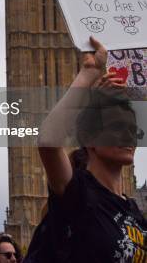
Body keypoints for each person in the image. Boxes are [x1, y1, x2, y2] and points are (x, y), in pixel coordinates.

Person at [32, 37, 147, 262]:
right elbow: (48, 140)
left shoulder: (132, 210)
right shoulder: (79, 192)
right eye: (117, 128)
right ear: (90, 139)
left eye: (133, 130)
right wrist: (89, 73)